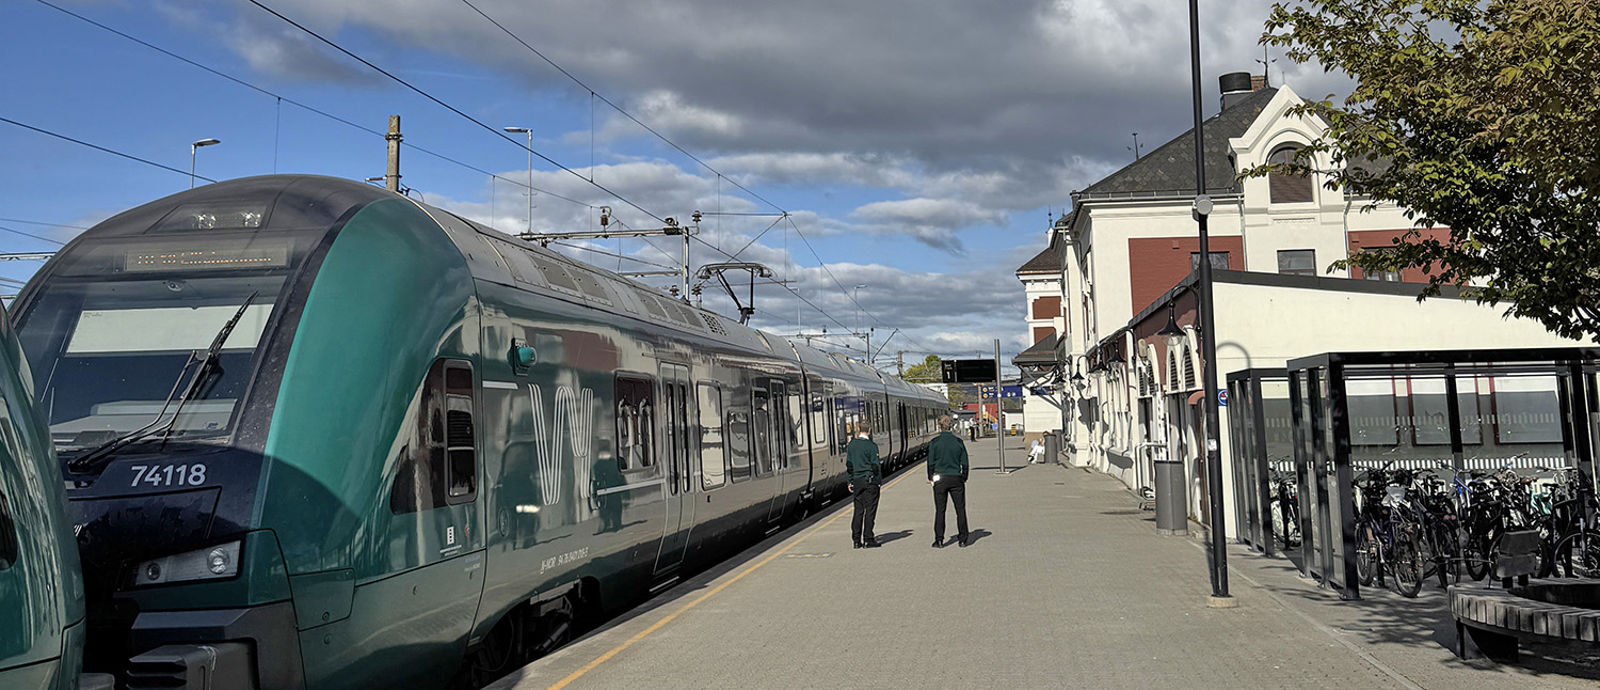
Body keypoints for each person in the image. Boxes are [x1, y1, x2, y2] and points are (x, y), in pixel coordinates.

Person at [927, 415, 971, 548]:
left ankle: (939, 540)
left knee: (940, 510)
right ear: (951, 426)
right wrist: (963, 477)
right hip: (956, 478)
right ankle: (963, 539)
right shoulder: (958, 442)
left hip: (940, 479)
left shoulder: (934, 443)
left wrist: (931, 478)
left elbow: (930, 463)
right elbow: (965, 462)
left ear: (939, 426)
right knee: (960, 509)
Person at [845, 421, 883, 549]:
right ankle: (868, 539)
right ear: (869, 430)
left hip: (857, 481)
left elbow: (849, 465)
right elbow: (876, 466)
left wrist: (850, 481)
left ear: (858, 429)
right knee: (870, 511)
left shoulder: (851, 445)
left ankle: (856, 540)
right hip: (870, 481)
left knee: (858, 510)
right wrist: (878, 482)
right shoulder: (872, 446)